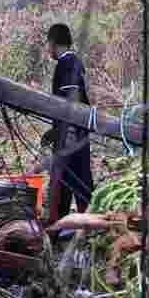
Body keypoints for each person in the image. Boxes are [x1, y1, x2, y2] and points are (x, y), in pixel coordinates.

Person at [44, 23, 96, 223]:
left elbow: (71, 98)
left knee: (73, 182)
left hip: (71, 136)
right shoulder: (75, 62)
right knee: (74, 182)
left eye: (48, 43)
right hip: (74, 134)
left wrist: (64, 136)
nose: (48, 48)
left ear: (53, 42)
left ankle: (82, 226)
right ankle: (67, 227)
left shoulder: (67, 63)